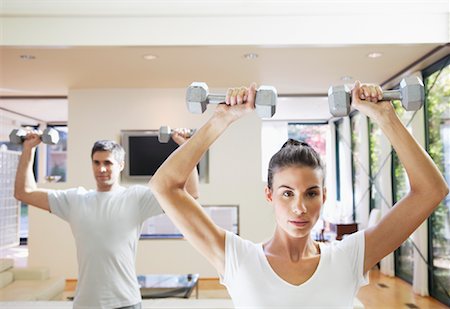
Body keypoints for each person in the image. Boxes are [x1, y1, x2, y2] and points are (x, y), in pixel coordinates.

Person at [150, 83, 449, 308]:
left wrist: (386, 117)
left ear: (324, 196)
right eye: (287, 193)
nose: (299, 207)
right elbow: (165, 185)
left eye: (311, 193)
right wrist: (220, 120)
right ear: (269, 195)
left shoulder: (349, 257)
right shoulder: (237, 258)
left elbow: (431, 190)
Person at [14, 132, 199, 309]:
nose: (101, 169)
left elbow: (191, 193)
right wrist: (29, 149)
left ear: (121, 165)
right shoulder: (75, 200)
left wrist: (187, 145)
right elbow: (24, 193)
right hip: (86, 302)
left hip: (126, 301)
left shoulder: (136, 198)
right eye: (96, 163)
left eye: (108, 163)